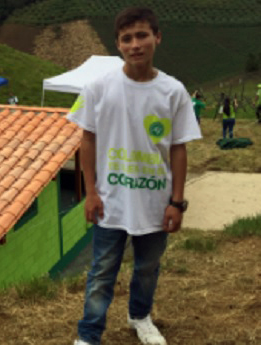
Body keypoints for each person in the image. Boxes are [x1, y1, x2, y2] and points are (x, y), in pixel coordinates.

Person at [67, 7, 202, 345]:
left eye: (142, 35)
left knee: (146, 268)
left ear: (157, 37)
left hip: (156, 202)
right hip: (110, 201)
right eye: (126, 38)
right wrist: (91, 192)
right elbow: (87, 139)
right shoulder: (99, 87)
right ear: (118, 45)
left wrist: (177, 202)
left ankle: (139, 316)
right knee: (101, 271)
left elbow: (178, 149)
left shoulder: (173, 91)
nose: (135, 44)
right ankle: (89, 334)